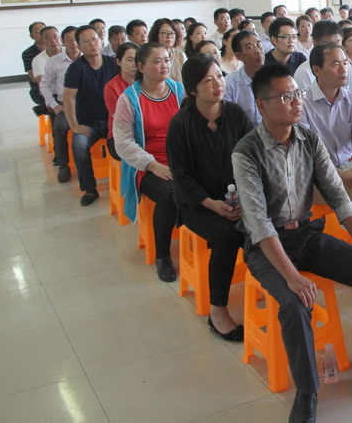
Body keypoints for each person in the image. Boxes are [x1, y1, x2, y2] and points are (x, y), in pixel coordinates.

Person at [233, 64, 352, 422]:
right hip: (267, 246)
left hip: (307, 234)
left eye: (297, 94)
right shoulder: (246, 152)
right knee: (294, 303)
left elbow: (339, 197)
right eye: (285, 97)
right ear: (262, 105)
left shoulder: (309, 139)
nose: (296, 102)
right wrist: (292, 277)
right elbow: (258, 223)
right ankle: (307, 391)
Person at [167, 53, 252, 340]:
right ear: (192, 89)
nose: (218, 84)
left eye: (219, 76)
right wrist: (212, 204)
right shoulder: (181, 125)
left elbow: (252, 159)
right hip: (198, 203)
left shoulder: (236, 114)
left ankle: (273, 292)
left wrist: (244, 198)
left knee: (263, 225)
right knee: (227, 235)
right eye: (208, 80)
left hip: (237, 197)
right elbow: (182, 178)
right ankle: (218, 312)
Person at [114, 42, 184, 282]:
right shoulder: (129, 99)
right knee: (169, 194)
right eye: (157, 61)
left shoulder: (178, 90)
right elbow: (123, 143)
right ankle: (162, 255)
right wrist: (152, 165)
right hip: (147, 166)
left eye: (166, 59)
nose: (164, 65)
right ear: (141, 67)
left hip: (180, 160)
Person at [300, 42, 352, 202]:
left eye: (345, 63)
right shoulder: (302, 103)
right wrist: (340, 175)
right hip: (316, 174)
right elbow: (306, 153)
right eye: (336, 64)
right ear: (317, 70)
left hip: (349, 166)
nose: (343, 70)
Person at [63, 25, 119, 206]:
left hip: (114, 122)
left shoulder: (113, 63)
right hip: (89, 123)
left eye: (94, 39)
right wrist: (74, 125)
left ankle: (129, 186)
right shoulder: (76, 68)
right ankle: (90, 189)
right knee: (79, 146)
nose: (92, 43)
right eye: (86, 41)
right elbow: (68, 98)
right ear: (79, 46)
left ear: (101, 40)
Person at [40, 26, 81, 182]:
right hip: (66, 106)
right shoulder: (54, 62)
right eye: (68, 39)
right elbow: (44, 85)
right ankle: (64, 165)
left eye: (75, 38)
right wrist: (54, 105)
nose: (73, 42)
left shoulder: (90, 58)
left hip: (88, 107)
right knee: (59, 126)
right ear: (63, 41)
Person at [294, 20, 352, 98]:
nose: (335, 48)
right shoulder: (304, 73)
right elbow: (303, 102)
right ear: (315, 44)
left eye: (338, 42)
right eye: (329, 44)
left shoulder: (346, 66)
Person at [103, 42, 138, 160]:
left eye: (137, 60)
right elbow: (120, 118)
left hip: (146, 132)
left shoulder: (147, 83)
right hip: (120, 137)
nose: (134, 64)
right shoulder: (111, 87)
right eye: (130, 60)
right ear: (118, 62)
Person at [224, 29, 266, 125]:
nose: (258, 51)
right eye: (250, 47)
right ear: (239, 56)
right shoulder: (229, 85)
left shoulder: (274, 79)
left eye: (259, 44)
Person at [148, 18, 186, 82]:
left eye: (172, 33)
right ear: (156, 35)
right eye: (164, 33)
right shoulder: (149, 55)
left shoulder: (180, 55)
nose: (169, 36)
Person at [21, 21, 46, 115]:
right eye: (38, 31)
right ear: (31, 36)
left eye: (43, 30)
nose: (42, 33)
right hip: (38, 87)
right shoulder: (28, 53)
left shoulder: (59, 49)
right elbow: (33, 77)